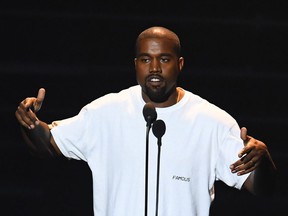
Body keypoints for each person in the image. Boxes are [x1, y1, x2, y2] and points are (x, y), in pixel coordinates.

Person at [15, 26, 277, 216]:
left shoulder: (212, 122)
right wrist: (31, 124)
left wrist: (263, 159)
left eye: (164, 59)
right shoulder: (106, 112)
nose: (154, 68)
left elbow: (259, 187)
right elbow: (48, 143)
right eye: (145, 60)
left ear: (180, 64)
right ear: (136, 64)